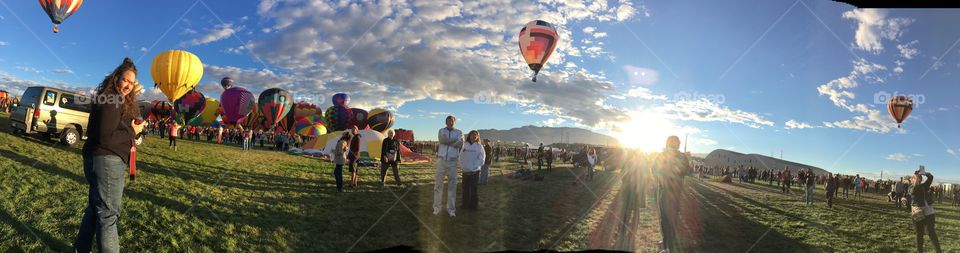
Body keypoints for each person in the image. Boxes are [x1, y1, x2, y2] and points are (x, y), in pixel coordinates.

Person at [75, 58, 147, 253]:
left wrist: (134, 125)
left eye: (132, 83)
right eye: (125, 80)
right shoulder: (113, 99)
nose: (128, 85)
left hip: (98, 159)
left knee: (94, 210)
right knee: (108, 215)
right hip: (107, 161)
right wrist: (133, 131)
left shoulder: (111, 98)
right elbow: (107, 138)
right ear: (116, 78)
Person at [654, 136, 690, 253]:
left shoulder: (664, 155)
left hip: (667, 191)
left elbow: (654, 168)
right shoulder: (682, 157)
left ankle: (667, 247)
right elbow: (685, 171)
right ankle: (666, 242)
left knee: (666, 219)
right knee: (670, 219)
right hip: (674, 191)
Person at [433, 116, 463, 217]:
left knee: (452, 186)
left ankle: (451, 209)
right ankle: (437, 208)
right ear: (446, 122)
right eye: (448, 121)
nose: (450, 122)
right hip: (441, 160)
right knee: (438, 185)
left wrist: (448, 140)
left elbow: (460, 144)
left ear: (455, 122)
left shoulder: (459, 132)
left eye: (452, 121)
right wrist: (454, 141)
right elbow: (442, 140)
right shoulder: (441, 130)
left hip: (453, 161)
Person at [910, 168, 942, 253]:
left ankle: (938, 251)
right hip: (918, 212)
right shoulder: (911, 188)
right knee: (919, 234)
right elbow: (913, 191)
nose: (918, 179)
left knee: (931, 233)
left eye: (920, 178)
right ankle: (919, 251)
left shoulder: (924, 186)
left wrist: (924, 173)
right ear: (912, 179)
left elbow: (931, 177)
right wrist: (916, 178)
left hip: (929, 212)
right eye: (916, 177)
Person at [460, 130, 485, 211]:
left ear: (478, 137)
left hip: (475, 171)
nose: (474, 136)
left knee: (474, 189)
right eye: (472, 134)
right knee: (465, 189)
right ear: (469, 136)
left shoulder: (479, 146)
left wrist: (474, 167)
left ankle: (473, 206)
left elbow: (482, 159)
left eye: (476, 135)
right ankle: (464, 205)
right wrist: (463, 167)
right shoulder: (464, 145)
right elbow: (460, 157)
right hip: (465, 171)